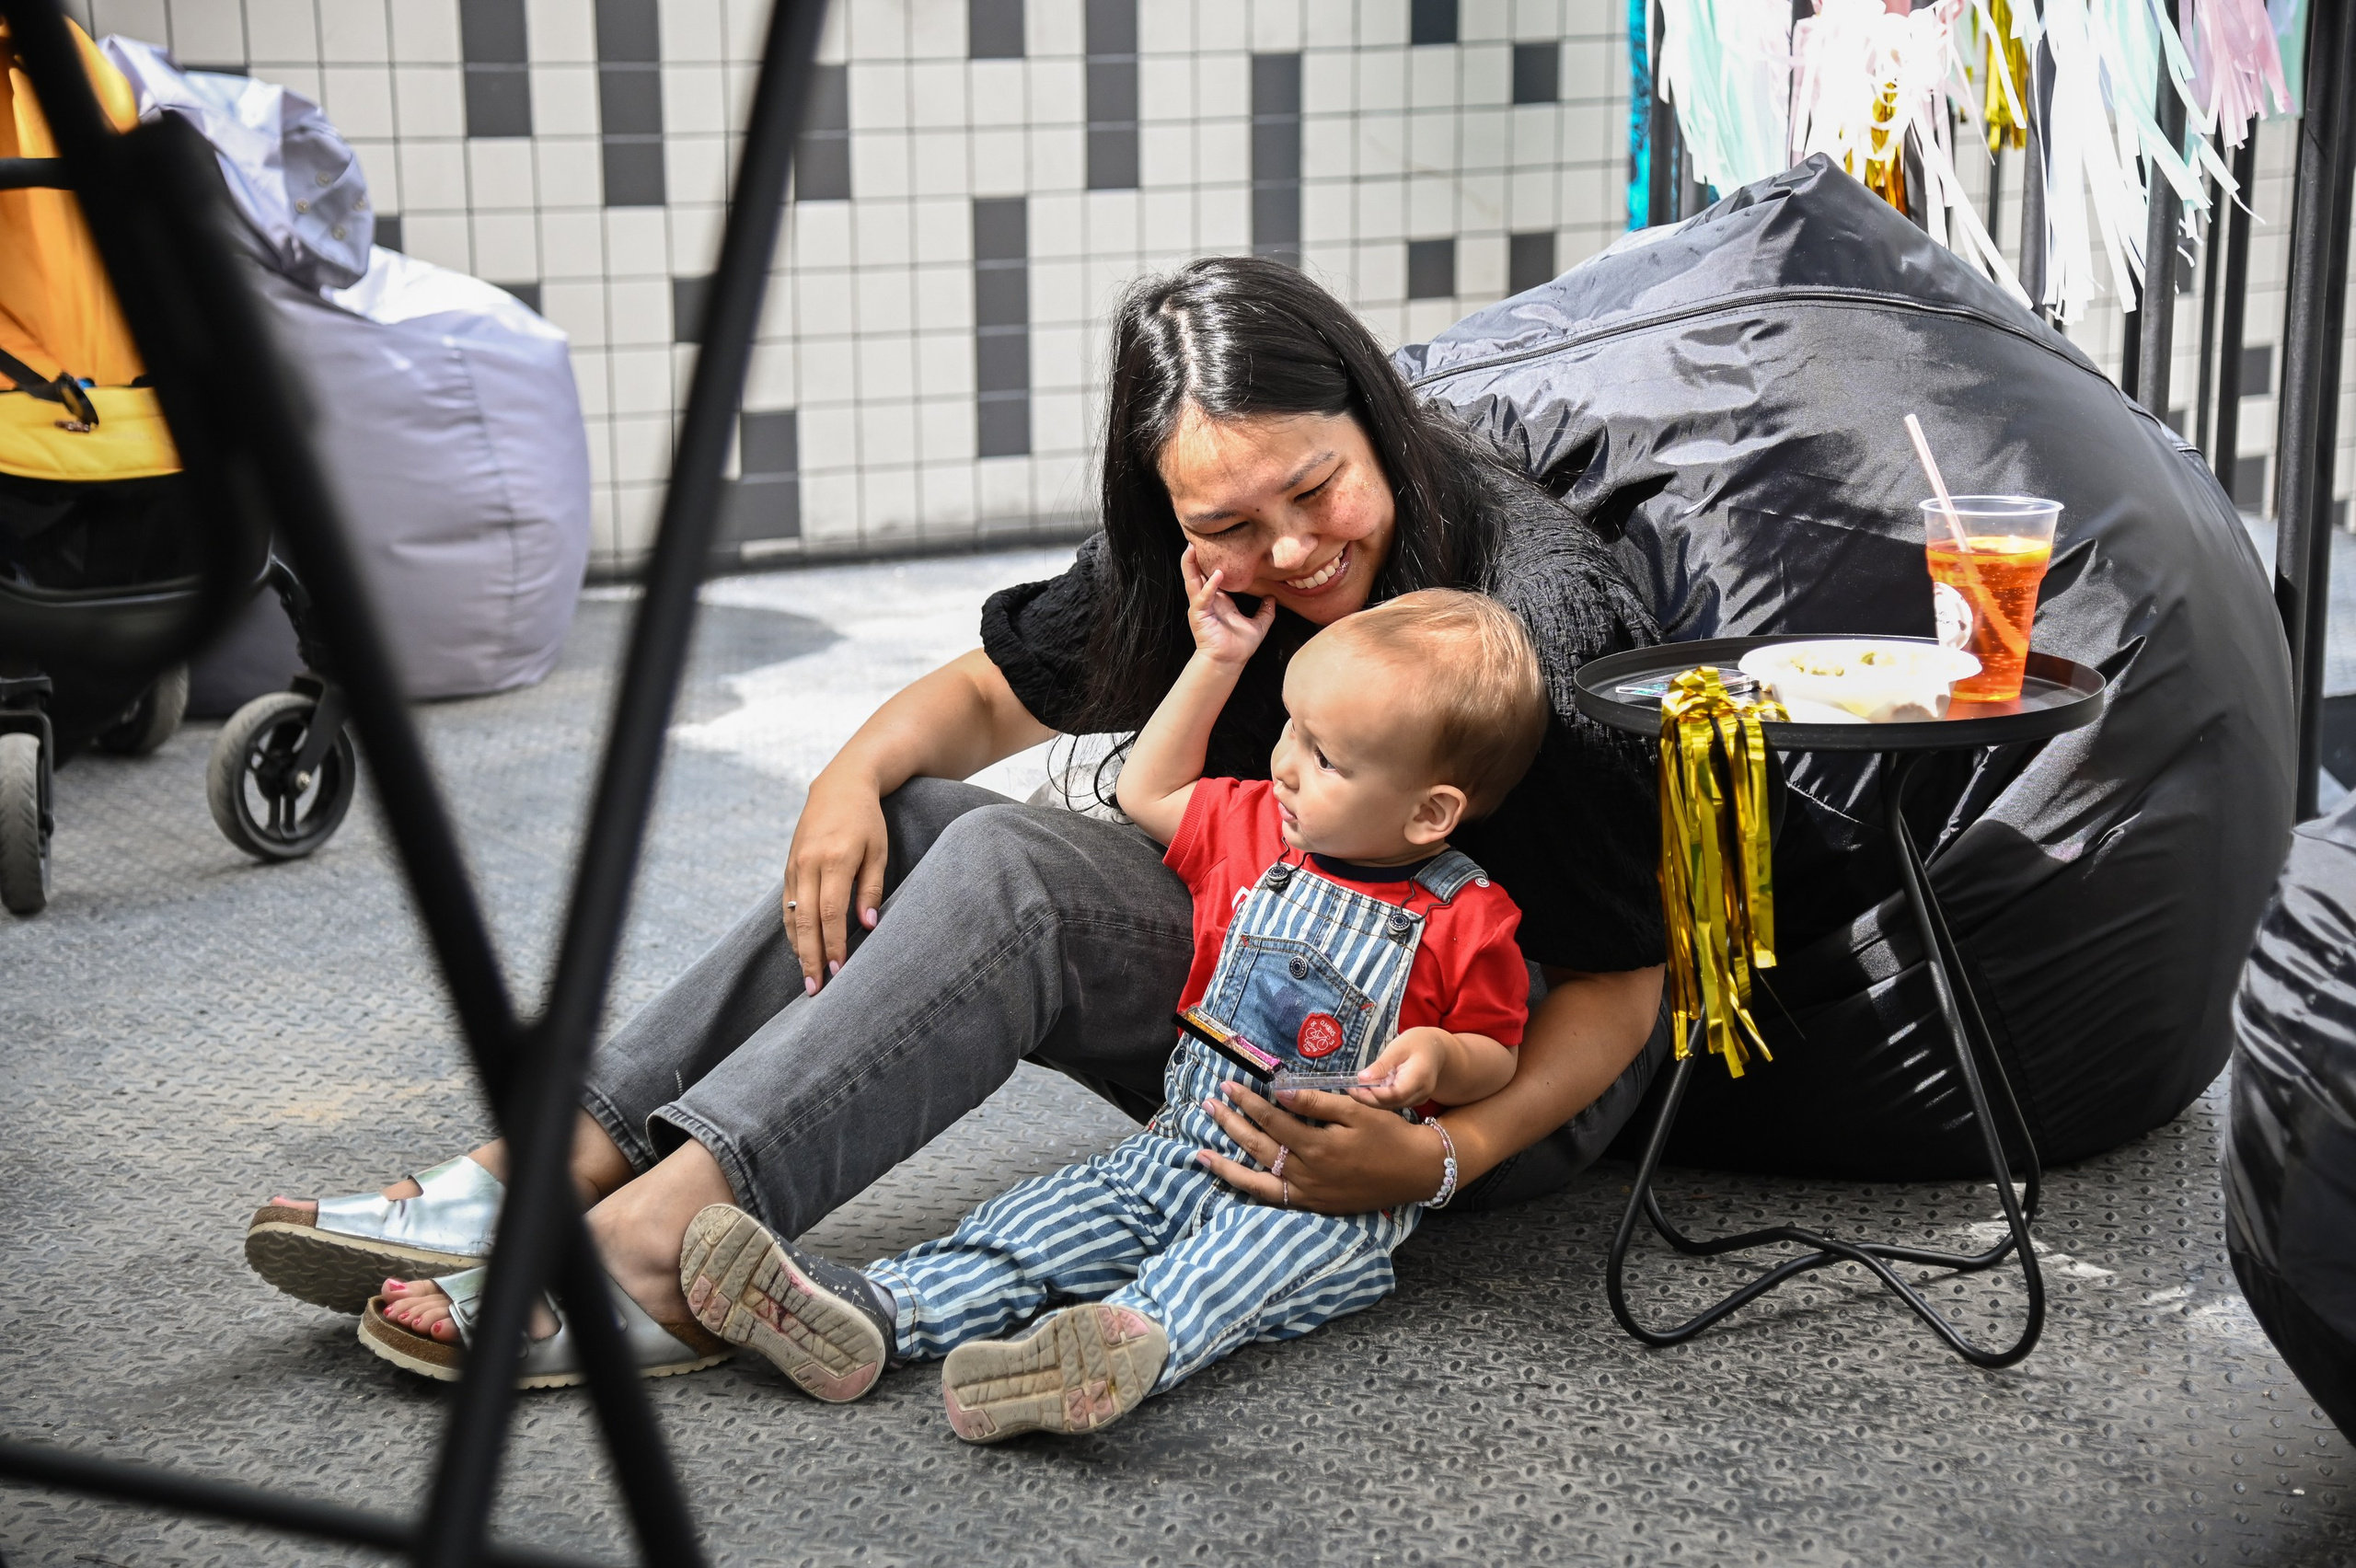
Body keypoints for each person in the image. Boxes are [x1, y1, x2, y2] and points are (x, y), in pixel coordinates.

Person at [242, 255, 1671, 1386]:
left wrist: (1439, 1156)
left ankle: (655, 1253)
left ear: (1373, 415)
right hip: (1263, 1001)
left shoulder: (1539, 616)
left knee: (1016, 867)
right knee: (929, 816)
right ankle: (542, 1168)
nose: (1286, 552)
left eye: (1314, 490)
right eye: (1226, 524)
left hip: (1460, 1079)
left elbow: (1625, 984)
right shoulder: (1198, 574)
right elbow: (991, 695)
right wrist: (845, 781)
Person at [664, 584, 1544, 1437]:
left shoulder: (1470, 917)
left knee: (1228, 1273)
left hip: (1316, 1193)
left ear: (1432, 813)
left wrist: (1438, 1055)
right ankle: (884, 1310)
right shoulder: (1254, 828)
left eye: (1324, 758)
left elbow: (1496, 1053)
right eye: (1291, 728)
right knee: (1045, 1220)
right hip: (1176, 1143)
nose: (1284, 762)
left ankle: (1111, 1350)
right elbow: (1146, 789)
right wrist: (1215, 659)